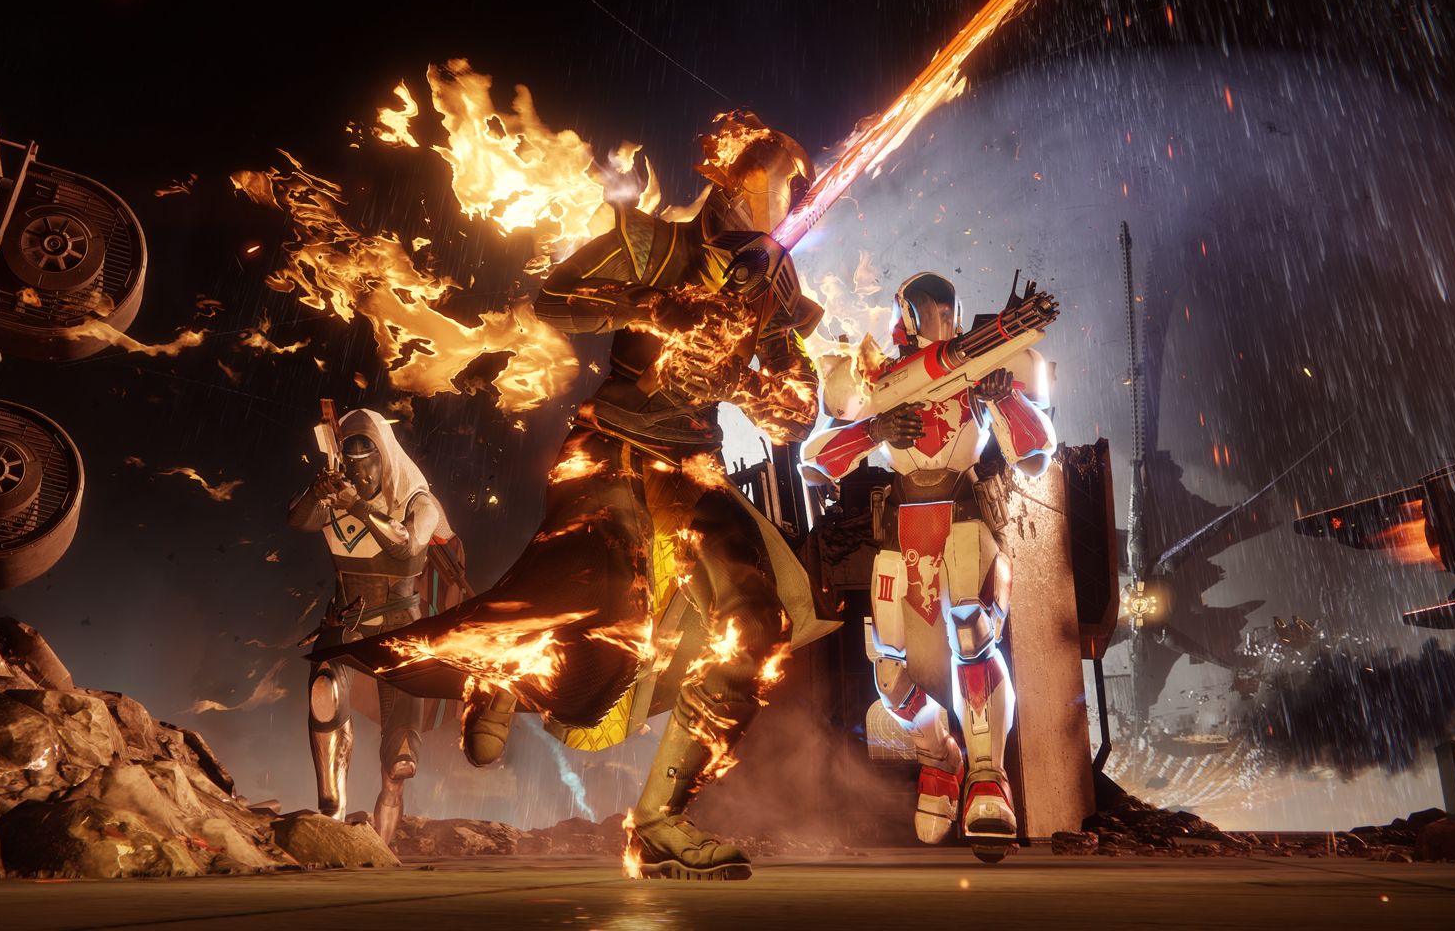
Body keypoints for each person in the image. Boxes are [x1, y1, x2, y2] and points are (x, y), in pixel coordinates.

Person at [311, 112, 834, 880]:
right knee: (590, 616)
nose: (783, 198)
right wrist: (652, 307)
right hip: (611, 453)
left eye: (792, 189)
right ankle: (501, 676)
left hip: (692, 469)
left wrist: (752, 386)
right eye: (775, 180)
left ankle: (658, 821)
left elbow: (799, 408)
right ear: (730, 179)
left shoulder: (776, 284)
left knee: (758, 624)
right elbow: (557, 300)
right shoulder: (653, 245)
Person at [800, 271, 1055, 861]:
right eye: (914, 310)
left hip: (963, 523)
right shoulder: (878, 378)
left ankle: (988, 778)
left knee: (973, 635)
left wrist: (1002, 396)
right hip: (901, 535)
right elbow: (815, 462)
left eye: (934, 310)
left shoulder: (984, 365)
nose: (921, 319)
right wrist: (876, 428)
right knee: (891, 676)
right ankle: (939, 757)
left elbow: (1036, 454)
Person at [287, 408, 467, 844]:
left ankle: (381, 848)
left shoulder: (418, 502)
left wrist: (359, 506)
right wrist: (319, 491)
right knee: (325, 693)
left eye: (366, 460)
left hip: (400, 628)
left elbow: (407, 548)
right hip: (345, 621)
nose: (359, 472)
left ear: (384, 456)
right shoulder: (334, 498)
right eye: (350, 462)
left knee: (400, 760)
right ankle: (331, 813)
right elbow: (298, 519)